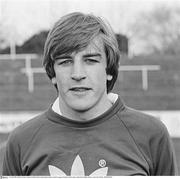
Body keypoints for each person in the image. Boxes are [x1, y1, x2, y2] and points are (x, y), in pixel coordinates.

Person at [3, 12, 178, 176]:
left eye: (91, 61)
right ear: (53, 72)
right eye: (65, 61)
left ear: (109, 69)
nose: (78, 74)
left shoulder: (152, 135)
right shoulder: (21, 141)